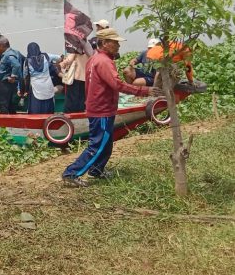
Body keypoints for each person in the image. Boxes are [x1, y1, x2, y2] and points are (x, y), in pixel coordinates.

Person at [62, 28, 161, 187]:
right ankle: (71, 173)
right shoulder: (104, 62)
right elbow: (117, 84)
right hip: (102, 109)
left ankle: (97, 169)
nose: (118, 46)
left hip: (99, 107)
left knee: (106, 143)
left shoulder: (95, 59)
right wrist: (143, 91)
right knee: (98, 144)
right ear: (104, 43)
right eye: (115, 43)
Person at [23, 42, 58, 114]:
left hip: (36, 88)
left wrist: (25, 90)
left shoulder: (27, 61)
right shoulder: (46, 56)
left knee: (36, 111)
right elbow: (60, 57)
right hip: (48, 86)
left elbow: (25, 77)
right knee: (48, 111)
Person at [0, 36, 24, 114]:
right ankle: (11, 122)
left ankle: (4, 123)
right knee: (10, 104)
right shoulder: (16, 52)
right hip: (7, 83)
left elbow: (17, 65)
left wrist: (13, 76)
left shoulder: (9, 54)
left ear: (2, 45)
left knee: (3, 104)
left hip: (5, 83)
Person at [59, 43, 93, 113]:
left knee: (72, 99)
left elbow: (69, 60)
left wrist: (62, 63)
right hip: (85, 78)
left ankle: (70, 115)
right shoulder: (89, 50)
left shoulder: (76, 49)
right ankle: (80, 114)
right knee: (82, 99)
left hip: (75, 78)